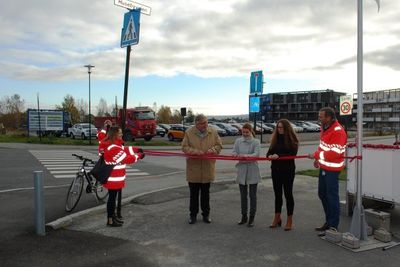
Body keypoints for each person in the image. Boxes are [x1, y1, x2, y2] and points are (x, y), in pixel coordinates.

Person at [308, 107, 347, 235]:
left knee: (331, 196)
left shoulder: (338, 131)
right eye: (319, 116)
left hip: (332, 169)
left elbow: (335, 153)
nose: (319, 119)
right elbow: (323, 146)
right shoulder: (325, 128)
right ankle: (329, 222)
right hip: (324, 167)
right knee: (323, 194)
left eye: (321, 116)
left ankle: (333, 226)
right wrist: (318, 159)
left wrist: (316, 155)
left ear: (329, 118)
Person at [182, 114, 222, 224]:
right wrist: (196, 152)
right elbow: (184, 147)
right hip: (193, 169)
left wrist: (213, 150)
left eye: (206, 122)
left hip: (207, 168)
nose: (206, 125)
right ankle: (193, 215)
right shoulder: (189, 133)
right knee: (193, 195)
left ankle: (206, 215)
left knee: (206, 194)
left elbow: (219, 145)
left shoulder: (213, 132)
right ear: (196, 124)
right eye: (203, 123)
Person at [102, 126, 144, 227]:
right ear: (114, 134)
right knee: (112, 199)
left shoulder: (115, 145)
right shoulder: (113, 147)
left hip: (115, 177)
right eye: (120, 133)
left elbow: (124, 150)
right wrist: (138, 156)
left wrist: (136, 149)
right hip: (113, 178)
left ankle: (113, 216)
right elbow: (125, 158)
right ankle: (110, 220)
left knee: (113, 198)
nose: (122, 134)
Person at [267, 119, 299, 231]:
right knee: (277, 195)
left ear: (287, 128)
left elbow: (292, 153)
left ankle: (289, 219)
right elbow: (268, 153)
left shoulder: (293, 140)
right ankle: (277, 217)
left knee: (288, 194)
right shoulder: (275, 139)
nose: (279, 130)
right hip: (276, 170)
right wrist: (270, 156)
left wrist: (278, 155)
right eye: (278, 128)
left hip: (288, 171)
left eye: (281, 128)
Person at [232, 123, 261, 227]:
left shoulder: (256, 142)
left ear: (250, 131)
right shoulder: (238, 141)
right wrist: (236, 155)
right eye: (243, 132)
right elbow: (234, 152)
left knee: (252, 195)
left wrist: (245, 156)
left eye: (246, 132)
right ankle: (244, 216)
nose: (244, 134)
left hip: (253, 170)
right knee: (243, 196)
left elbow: (256, 154)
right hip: (242, 170)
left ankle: (252, 218)